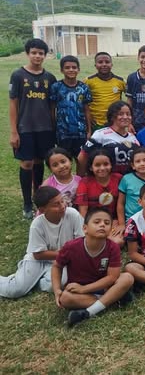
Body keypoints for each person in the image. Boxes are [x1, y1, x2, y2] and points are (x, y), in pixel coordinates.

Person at [51, 208, 135, 327]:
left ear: (110, 229)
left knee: (127, 278)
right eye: (97, 222)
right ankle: (113, 299)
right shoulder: (71, 247)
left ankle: (88, 312)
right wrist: (57, 290)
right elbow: (56, 266)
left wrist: (84, 289)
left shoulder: (113, 247)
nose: (102, 225)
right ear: (85, 228)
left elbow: (112, 277)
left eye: (107, 223)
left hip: (103, 287)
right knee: (65, 298)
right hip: (78, 291)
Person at [0, 186, 83, 299]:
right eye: (56, 204)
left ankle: (32, 283)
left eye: (62, 201)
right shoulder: (37, 224)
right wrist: (66, 253)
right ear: (43, 210)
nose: (62, 206)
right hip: (37, 261)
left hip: (61, 261)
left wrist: (68, 256)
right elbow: (38, 255)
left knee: (59, 283)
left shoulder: (73, 214)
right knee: (16, 290)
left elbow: (81, 241)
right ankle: (19, 281)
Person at [9, 38, 57, 219]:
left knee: (39, 162)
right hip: (25, 128)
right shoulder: (18, 75)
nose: (37, 56)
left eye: (41, 53)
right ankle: (27, 203)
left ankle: (39, 198)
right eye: (34, 53)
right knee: (27, 163)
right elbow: (13, 104)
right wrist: (14, 131)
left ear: (45, 55)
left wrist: (53, 127)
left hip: (45, 128)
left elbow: (52, 106)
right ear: (27, 53)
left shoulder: (49, 78)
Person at [50, 55, 92, 167]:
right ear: (61, 70)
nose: (71, 70)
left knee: (81, 161)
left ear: (78, 69)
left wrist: (89, 130)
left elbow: (86, 109)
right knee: (64, 161)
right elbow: (52, 109)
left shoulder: (84, 87)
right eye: (67, 67)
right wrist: (54, 128)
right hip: (63, 132)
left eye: (74, 67)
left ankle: (80, 178)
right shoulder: (56, 87)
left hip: (80, 132)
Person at [77, 101, 140, 176]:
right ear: (112, 117)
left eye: (128, 114)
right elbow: (83, 156)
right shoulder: (100, 134)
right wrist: (80, 177)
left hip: (128, 180)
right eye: (121, 114)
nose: (125, 117)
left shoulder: (133, 137)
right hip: (107, 179)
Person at [75, 149, 122, 243]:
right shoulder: (85, 182)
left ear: (111, 165)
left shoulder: (119, 179)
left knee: (118, 241)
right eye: (97, 165)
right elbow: (83, 211)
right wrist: (88, 226)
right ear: (91, 167)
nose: (102, 168)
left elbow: (122, 204)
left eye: (106, 164)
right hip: (93, 221)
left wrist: (120, 223)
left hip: (113, 221)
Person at [84, 52, 126, 130]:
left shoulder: (120, 81)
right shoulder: (88, 81)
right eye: (100, 62)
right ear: (95, 65)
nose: (104, 64)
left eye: (107, 62)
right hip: (95, 123)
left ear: (111, 64)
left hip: (115, 122)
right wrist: (88, 118)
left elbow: (130, 97)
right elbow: (83, 102)